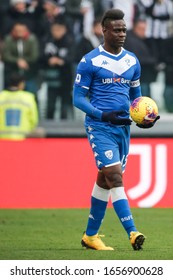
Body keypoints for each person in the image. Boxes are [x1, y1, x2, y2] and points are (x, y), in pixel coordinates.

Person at [73, 9, 160, 250]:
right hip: (99, 126)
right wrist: (103, 114)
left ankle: (90, 236)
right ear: (104, 30)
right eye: (117, 30)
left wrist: (144, 117)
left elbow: (137, 98)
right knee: (114, 176)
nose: (122, 34)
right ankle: (133, 232)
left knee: (104, 180)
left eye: (124, 29)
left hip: (122, 129)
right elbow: (78, 99)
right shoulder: (89, 60)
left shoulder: (132, 61)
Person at [0, 73, 40, 140]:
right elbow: (34, 119)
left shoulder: (1, 97)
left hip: (2, 139)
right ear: (21, 83)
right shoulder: (28, 97)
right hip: (23, 138)